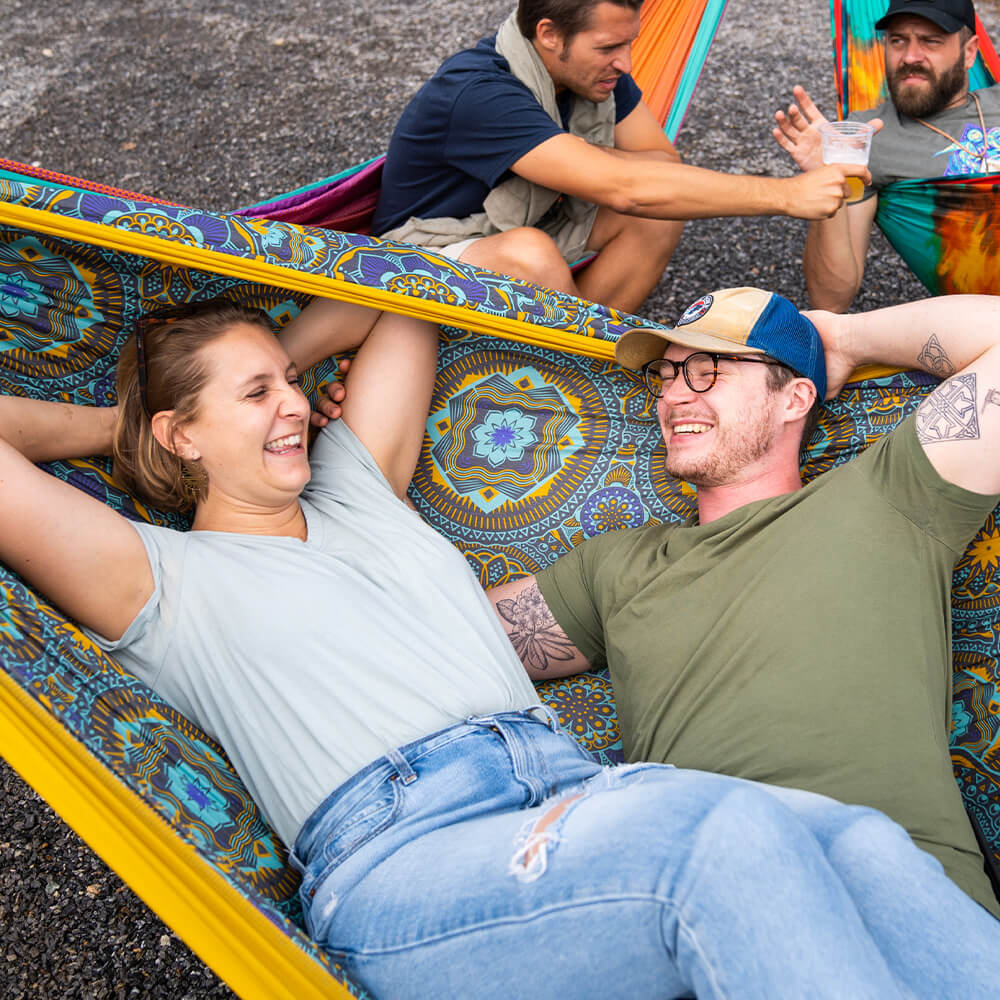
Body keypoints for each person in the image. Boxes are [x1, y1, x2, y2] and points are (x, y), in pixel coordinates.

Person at [3, 295, 999, 998]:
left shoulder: (360, 487)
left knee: (862, 841)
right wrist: (122, 427)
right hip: (404, 855)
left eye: (295, 382)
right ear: (181, 434)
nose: (297, 404)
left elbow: (415, 287)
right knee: (726, 835)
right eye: (256, 393)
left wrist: (834, 334)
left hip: (570, 801)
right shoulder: (153, 578)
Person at [488, 285, 1000, 935]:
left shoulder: (891, 496)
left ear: (795, 398)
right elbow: (443, 645)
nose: (674, 396)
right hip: (709, 913)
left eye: (709, 369)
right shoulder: (615, 567)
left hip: (909, 897)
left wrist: (845, 338)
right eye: (667, 374)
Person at [371, 0, 865, 314]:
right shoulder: (481, 92)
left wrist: (580, 158)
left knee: (656, 215)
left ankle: (582, 345)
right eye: (609, 46)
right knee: (531, 253)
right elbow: (626, 187)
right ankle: (572, 371)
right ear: (549, 34)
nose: (626, 63)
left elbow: (662, 166)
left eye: (631, 42)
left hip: (523, 225)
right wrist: (786, 195)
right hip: (418, 257)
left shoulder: (596, 75)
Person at [772, 0, 998, 311]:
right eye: (897, 41)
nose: (910, 57)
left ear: (969, 52)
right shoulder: (866, 138)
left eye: (931, 41)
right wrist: (827, 177)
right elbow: (830, 301)